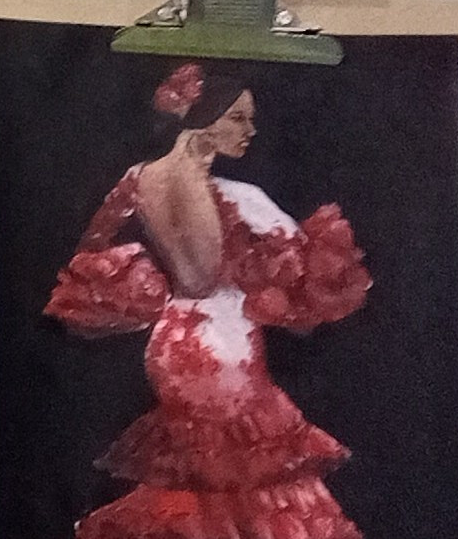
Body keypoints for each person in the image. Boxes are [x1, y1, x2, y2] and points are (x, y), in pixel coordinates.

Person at [44, 63, 371, 539]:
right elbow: (309, 279)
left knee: (200, 478)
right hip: (226, 345)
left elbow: (91, 249)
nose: (250, 130)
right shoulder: (243, 197)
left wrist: (140, 280)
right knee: (247, 477)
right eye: (237, 118)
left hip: (169, 342)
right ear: (204, 119)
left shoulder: (137, 178)